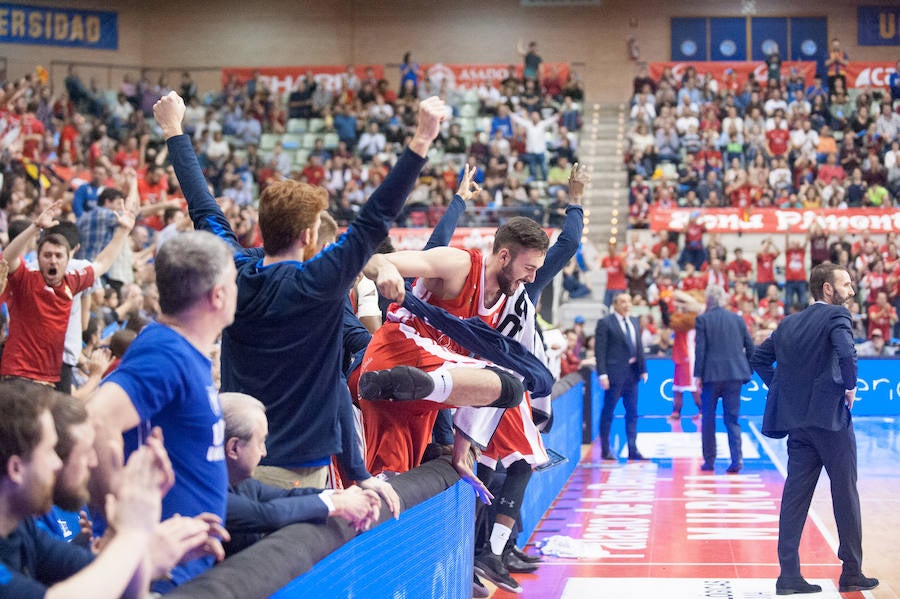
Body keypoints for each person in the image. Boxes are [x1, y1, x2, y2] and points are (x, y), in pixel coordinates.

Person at [154, 91, 442, 511]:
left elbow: (204, 208)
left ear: (262, 228)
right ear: (309, 237)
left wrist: (173, 131)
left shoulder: (233, 271)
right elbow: (374, 219)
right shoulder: (320, 282)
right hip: (302, 479)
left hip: (237, 469)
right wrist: (420, 141)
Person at [86, 231, 236, 591]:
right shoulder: (168, 354)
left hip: (180, 568)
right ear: (217, 295)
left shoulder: (177, 348)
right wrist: (118, 518)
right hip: (160, 576)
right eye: (233, 281)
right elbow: (96, 420)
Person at [358, 212, 551, 477]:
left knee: (392, 481)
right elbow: (375, 260)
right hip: (397, 351)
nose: (531, 279)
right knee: (506, 385)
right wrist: (385, 273)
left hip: (412, 391)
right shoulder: (460, 264)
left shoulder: (512, 303)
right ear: (504, 256)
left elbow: (487, 383)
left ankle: (410, 386)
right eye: (529, 268)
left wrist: (461, 452)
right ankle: (416, 382)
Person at [751, 263, 879, 595]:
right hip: (831, 421)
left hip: (799, 426)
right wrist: (850, 386)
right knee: (845, 494)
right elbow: (847, 354)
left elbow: (758, 359)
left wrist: (783, 389)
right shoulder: (838, 317)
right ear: (827, 289)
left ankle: (788, 575)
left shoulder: (789, 323)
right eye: (846, 285)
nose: (851, 291)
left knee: (794, 498)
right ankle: (851, 571)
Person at [0, 380, 166, 599]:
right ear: (16, 468)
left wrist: (130, 535)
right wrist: (132, 534)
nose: (57, 464)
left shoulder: (21, 528)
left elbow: (115, 581)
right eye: (50, 450)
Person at [220, 393, 381, 556]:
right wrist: (338, 504)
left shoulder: (240, 482)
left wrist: (340, 495)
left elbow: (286, 495)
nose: (264, 452)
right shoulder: (206, 492)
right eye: (260, 442)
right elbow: (266, 514)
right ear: (234, 448)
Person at [0, 200, 134, 385]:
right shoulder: (25, 278)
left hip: (53, 377)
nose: (53, 261)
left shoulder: (73, 281)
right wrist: (35, 227)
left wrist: (123, 231)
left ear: (68, 259)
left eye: (58, 256)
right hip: (19, 376)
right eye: (47, 255)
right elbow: (7, 258)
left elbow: (102, 263)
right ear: (38, 259)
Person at [694, 285, 754, 473]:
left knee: (708, 420)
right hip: (735, 375)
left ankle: (709, 461)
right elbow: (751, 347)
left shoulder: (703, 319)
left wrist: (698, 375)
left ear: (708, 300)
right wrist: (747, 371)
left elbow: (700, 350)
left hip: (711, 376)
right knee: (732, 419)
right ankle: (737, 460)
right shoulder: (737, 319)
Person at [595, 292, 648, 460]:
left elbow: (639, 346)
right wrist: (602, 374)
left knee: (632, 413)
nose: (627, 304)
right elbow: (600, 351)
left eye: (629, 301)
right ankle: (605, 450)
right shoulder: (605, 323)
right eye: (623, 302)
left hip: (632, 375)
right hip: (614, 376)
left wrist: (643, 369)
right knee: (608, 412)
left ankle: (633, 449)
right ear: (615, 304)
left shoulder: (634, 321)